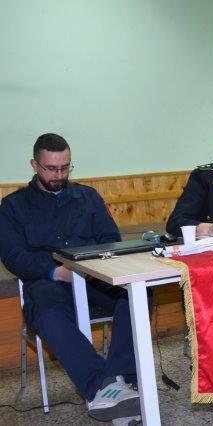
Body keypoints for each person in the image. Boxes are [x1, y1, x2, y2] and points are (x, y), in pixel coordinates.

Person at [0, 134, 141, 420]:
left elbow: (110, 239)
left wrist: (94, 267)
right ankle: (102, 385)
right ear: (34, 165)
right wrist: (55, 271)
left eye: (65, 167)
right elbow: (14, 257)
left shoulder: (88, 197)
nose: (59, 175)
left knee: (137, 293)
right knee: (47, 314)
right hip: (48, 280)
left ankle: (118, 377)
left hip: (92, 277)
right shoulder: (13, 206)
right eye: (51, 169)